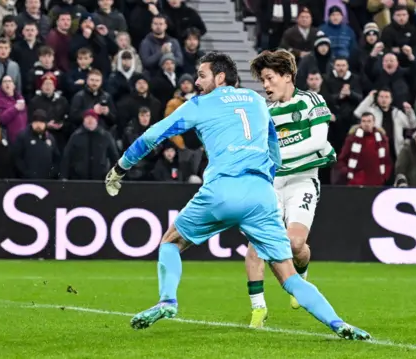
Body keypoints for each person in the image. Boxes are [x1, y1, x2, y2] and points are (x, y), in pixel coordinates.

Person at [103, 52, 370, 340]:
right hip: (261, 195)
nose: (196, 80)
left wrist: (120, 168)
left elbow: (152, 135)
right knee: (289, 276)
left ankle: (167, 300)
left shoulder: (200, 104)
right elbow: (272, 147)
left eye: (202, 75)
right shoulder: (256, 101)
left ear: (220, 77)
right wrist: (265, 176)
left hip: (220, 190)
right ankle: (339, 323)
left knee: (171, 242)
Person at [244, 50, 336, 328]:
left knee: (295, 244)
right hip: (271, 183)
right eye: (262, 81)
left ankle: (301, 279)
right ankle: (258, 309)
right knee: (256, 245)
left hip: (302, 180)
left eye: (270, 78)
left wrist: (275, 154)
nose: (266, 86)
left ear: (287, 76)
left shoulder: (311, 100)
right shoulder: (263, 110)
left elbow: (318, 141)